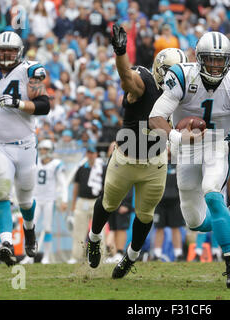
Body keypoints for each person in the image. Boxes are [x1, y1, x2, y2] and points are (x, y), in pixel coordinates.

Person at [149, 31, 230, 288]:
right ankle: (229, 218)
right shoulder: (181, 76)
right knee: (195, 222)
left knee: (212, 194)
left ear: (229, 61)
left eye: (220, 60)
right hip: (185, 147)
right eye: (210, 59)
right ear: (199, 59)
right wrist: (178, 138)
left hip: (217, 144)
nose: (215, 65)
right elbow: (156, 117)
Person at [86, 24, 188, 278]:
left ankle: (130, 257)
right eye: (170, 73)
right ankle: (94, 238)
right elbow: (126, 78)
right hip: (126, 157)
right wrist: (121, 52)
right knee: (109, 203)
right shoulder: (145, 83)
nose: (174, 79)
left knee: (145, 214)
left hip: (155, 162)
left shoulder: (184, 92)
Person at [0, 31, 50, 266]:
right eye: (2, 50)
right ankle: (6, 243)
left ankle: (29, 229)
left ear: (19, 52)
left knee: (25, 200)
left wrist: (20, 103)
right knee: (2, 191)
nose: (6, 54)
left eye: (11, 51)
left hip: (25, 145)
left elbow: (44, 105)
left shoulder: (29, 71)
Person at [20, 139, 68, 264]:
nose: (42, 151)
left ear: (50, 150)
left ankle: (46, 256)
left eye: (45, 149)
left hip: (49, 200)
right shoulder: (36, 163)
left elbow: (63, 184)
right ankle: (28, 256)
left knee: (47, 228)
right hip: (35, 199)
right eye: (41, 149)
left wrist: (64, 199)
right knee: (30, 226)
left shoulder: (56, 164)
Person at [68, 146, 102, 264]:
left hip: (97, 201)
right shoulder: (81, 168)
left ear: (96, 154)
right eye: (89, 153)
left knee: (99, 231)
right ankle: (76, 256)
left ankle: (101, 256)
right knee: (79, 230)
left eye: (93, 153)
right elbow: (76, 187)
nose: (91, 155)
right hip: (82, 201)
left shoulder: (102, 168)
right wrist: (73, 204)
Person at [152, 149, 185, 262]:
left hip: (175, 201)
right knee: (159, 228)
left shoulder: (179, 163)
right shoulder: (157, 162)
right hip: (159, 201)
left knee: (176, 228)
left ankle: (178, 254)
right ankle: (157, 254)